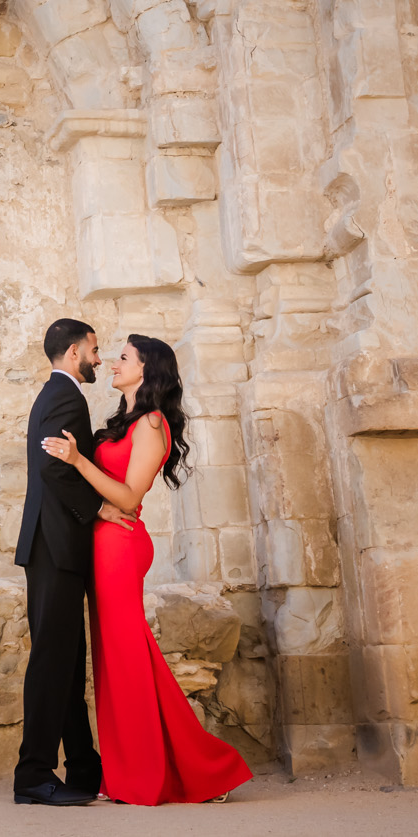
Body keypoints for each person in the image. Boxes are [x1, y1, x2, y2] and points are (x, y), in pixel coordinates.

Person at [41, 333, 253, 805]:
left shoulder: (153, 424)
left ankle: (181, 773)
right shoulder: (123, 421)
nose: (113, 363)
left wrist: (77, 459)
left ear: (147, 369)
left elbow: (130, 497)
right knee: (119, 665)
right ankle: (132, 771)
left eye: (123, 358)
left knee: (127, 663)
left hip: (120, 546)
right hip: (102, 546)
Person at [11, 317, 130, 806]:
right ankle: (32, 775)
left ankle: (83, 767)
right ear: (74, 350)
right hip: (55, 546)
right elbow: (50, 466)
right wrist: (99, 507)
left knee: (65, 661)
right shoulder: (65, 395)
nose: (100, 359)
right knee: (51, 664)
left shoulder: (58, 394)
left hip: (55, 548)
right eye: (96, 350)